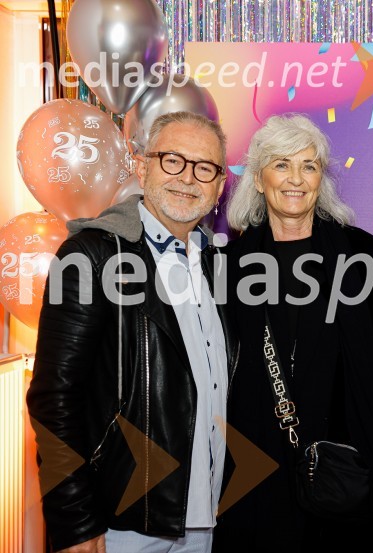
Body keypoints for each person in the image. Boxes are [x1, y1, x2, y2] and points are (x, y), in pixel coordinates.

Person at [27, 111, 234, 553]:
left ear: (219, 185)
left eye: (205, 168)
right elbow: (54, 397)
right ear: (142, 166)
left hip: (208, 518)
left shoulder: (222, 269)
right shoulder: (91, 255)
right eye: (173, 160)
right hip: (123, 525)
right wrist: (74, 520)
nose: (188, 178)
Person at [212, 114, 373, 551]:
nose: (296, 179)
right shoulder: (229, 266)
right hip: (255, 471)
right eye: (281, 164)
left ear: (321, 178)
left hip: (348, 467)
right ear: (259, 177)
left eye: (309, 166)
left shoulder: (359, 252)